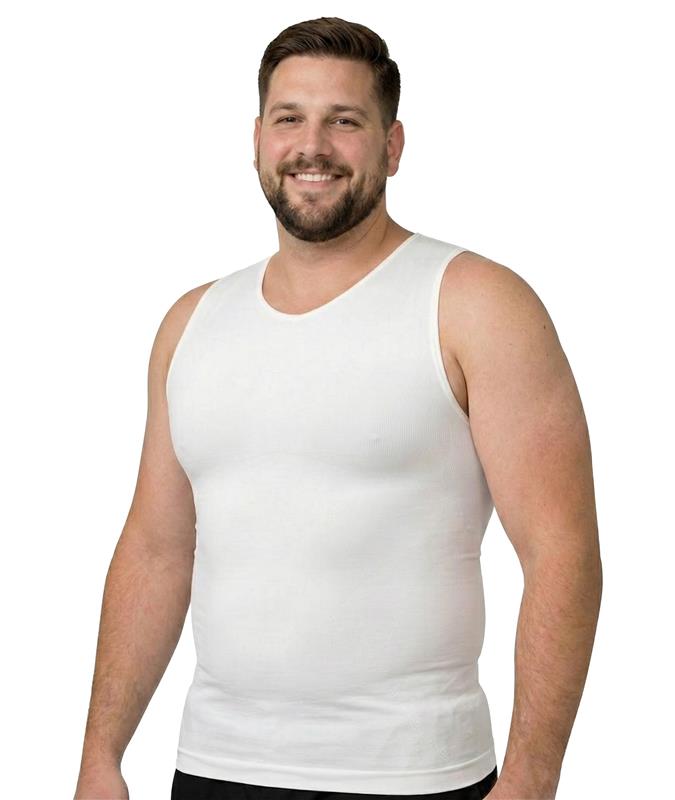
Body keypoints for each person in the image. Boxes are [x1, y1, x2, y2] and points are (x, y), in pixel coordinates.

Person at [74, 16, 602, 800]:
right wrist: (100, 755)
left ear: (392, 145)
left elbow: (561, 551)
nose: (311, 147)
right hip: (216, 766)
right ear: (258, 139)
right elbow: (156, 549)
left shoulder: (475, 306)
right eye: (289, 119)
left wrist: (530, 778)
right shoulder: (192, 323)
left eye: (344, 121)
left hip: (414, 772)